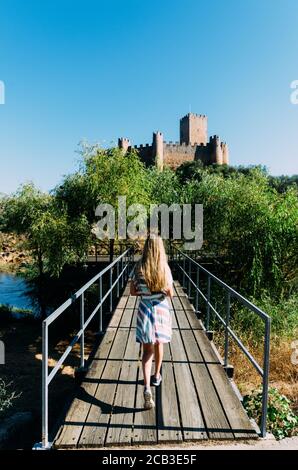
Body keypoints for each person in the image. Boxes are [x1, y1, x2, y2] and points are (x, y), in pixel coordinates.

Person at [130, 235, 174, 409]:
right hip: (161, 310)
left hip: (145, 310)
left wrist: (144, 292)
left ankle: (147, 386)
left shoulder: (138, 268)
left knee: (147, 350)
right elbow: (170, 293)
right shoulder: (164, 268)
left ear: (146, 248)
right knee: (159, 344)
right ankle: (157, 376)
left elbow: (133, 292)